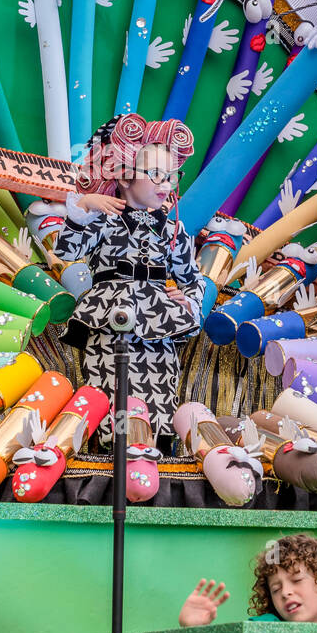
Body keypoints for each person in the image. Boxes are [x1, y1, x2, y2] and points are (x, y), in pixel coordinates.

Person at [54, 113, 208, 446]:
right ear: (124, 177)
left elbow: (194, 280)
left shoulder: (173, 231)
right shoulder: (104, 219)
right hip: (109, 318)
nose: (165, 185)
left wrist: (191, 303)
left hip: (159, 322)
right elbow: (67, 249)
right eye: (155, 174)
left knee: (160, 397)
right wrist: (83, 206)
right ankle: (116, 458)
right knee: (112, 395)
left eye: (171, 176)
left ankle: (157, 457)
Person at [179, 533, 317, 626]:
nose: (285, 592)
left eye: (297, 580)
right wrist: (193, 631)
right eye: (275, 589)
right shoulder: (264, 628)